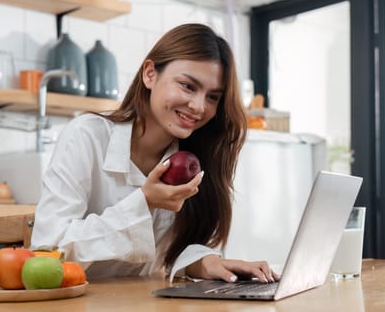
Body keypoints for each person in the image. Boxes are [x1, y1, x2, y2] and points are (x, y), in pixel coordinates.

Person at [31, 23, 278, 283]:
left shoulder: (195, 156)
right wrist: (144, 202)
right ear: (150, 74)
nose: (198, 107)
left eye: (213, 97)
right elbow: (48, 251)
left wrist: (209, 263)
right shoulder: (87, 137)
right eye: (187, 86)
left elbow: (169, 252)